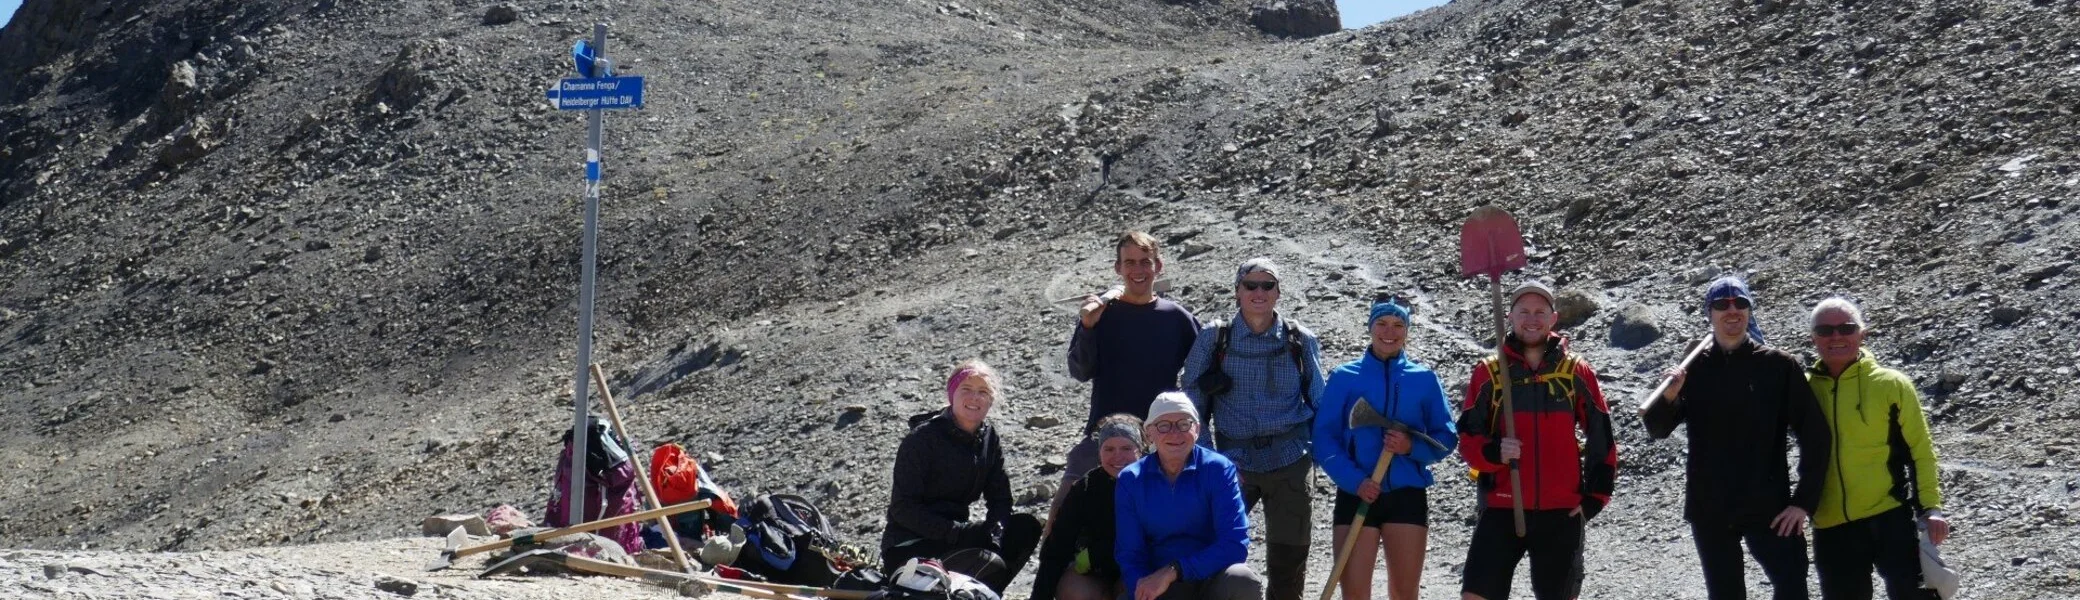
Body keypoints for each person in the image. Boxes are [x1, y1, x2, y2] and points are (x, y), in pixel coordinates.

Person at [1643, 276, 1833, 600]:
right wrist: (1671, 396)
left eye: (1740, 303)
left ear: (1749, 310)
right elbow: (1657, 429)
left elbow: (1816, 436)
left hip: (1769, 506)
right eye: (1722, 305)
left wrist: (1803, 502)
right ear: (1710, 313)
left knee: (1792, 585)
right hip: (1710, 509)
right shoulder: (1693, 366)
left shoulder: (1778, 365)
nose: (1732, 311)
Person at [1457, 280, 1618, 600]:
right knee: (1475, 595)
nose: (1532, 319)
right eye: (1524, 312)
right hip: (1501, 506)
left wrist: (1594, 498)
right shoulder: (1490, 372)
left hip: (1561, 511)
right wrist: (1495, 452)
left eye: (1540, 312)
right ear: (1510, 317)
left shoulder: (1575, 371)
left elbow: (1601, 435)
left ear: (1553, 318)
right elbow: (1467, 437)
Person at [1180, 257, 1323, 600]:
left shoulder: (1300, 340)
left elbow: (1321, 400)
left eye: (1267, 285)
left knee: (1289, 559)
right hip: (1232, 461)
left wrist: (1320, 454)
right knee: (1212, 546)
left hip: (1291, 458)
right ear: (1237, 291)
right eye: (1251, 285)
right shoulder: (1214, 338)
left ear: (1278, 292)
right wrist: (1211, 459)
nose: (1259, 292)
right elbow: (1191, 401)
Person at [1312, 297, 1459, 600]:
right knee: (1354, 594)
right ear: (1370, 327)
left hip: (1407, 495)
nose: (1389, 332)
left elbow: (1446, 437)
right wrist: (1355, 481)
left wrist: (1410, 446)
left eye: (1398, 325)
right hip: (1356, 493)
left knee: (1405, 594)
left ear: (1407, 331)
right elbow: (1324, 439)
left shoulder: (1424, 379)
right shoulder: (1344, 377)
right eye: (1381, 323)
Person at [1805, 297, 1950, 600]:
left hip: (1889, 517)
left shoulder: (1891, 384)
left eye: (1846, 328)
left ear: (1862, 333)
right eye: (1825, 330)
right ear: (1813, 338)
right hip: (1831, 525)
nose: (1836, 336)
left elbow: (1920, 450)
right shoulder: (1803, 389)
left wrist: (1931, 508)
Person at [1059, 231, 1200, 526]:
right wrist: (1088, 328)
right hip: (1106, 435)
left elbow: (1202, 375)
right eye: (1130, 262)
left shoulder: (1177, 318)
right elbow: (1080, 371)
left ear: (1158, 266)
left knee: (1159, 524)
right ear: (1118, 268)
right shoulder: (1100, 315)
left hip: (1160, 438)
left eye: (1145, 262)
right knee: (1066, 515)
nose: (1138, 270)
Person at [881, 360, 1042, 593]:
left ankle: (983, 594)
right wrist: (957, 532)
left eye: (983, 392)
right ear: (952, 395)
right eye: (966, 389)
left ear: (991, 400)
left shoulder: (988, 438)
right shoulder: (922, 439)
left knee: (1024, 529)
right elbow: (902, 508)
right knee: (985, 560)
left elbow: (1000, 498)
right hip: (910, 545)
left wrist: (995, 532)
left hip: (955, 538)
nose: (975, 397)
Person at [1115, 392, 1266, 600]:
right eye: (1163, 425)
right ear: (1149, 433)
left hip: (1210, 577)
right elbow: (1130, 554)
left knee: (1242, 580)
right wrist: (1142, 591)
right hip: (1157, 585)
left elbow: (1234, 544)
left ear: (1197, 430)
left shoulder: (1218, 470)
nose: (1175, 433)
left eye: (1184, 424)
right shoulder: (1131, 479)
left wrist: (1175, 570)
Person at [1032, 414, 1144, 600]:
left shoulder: (1154, 483)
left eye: (1126, 448)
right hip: (1096, 570)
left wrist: (1098, 554)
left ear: (1140, 451)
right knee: (1076, 591)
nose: (1118, 456)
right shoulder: (1086, 487)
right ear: (1099, 453)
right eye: (1109, 449)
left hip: (1140, 567)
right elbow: (1057, 548)